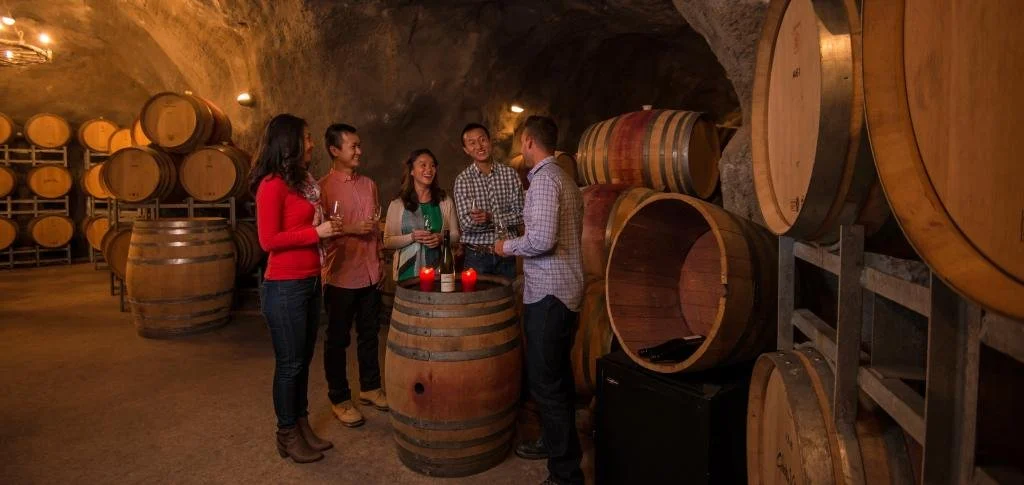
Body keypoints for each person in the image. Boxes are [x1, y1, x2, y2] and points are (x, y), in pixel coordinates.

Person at [495, 115, 584, 485]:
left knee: (547, 384)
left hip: (550, 295)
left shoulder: (546, 180)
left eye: (522, 142)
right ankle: (552, 442)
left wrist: (505, 246)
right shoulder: (564, 178)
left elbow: (542, 240)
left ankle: (565, 474)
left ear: (529, 141)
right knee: (557, 379)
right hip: (562, 292)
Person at [252, 114, 341, 463]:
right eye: (306, 137)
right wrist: (315, 233)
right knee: (289, 364)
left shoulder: (300, 183)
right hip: (284, 285)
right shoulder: (271, 184)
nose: (311, 144)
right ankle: (286, 433)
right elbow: (268, 240)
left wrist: (320, 230)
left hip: (309, 280)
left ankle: (301, 424)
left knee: (302, 361)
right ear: (287, 142)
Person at [318, 123, 387, 428]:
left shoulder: (369, 184)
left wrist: (380, 258)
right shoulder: (322, 187)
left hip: (370, 270)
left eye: (360, 145)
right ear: (335, 150)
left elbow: (376, 226)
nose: (360, 151)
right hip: (340, 274)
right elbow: (317, 231)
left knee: (370, 334)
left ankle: (370, 387)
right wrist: (351, 228)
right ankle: (339, 398)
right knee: (337, 339)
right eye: (353, 146)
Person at [453, 122, 524, 280]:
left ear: (490, 141)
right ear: (466, 150)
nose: (479, 146)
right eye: (472, 143)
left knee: (507, 296)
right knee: (476, 296)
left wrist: (490, 217)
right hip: (476, 256)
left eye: (482, 140)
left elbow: (521, 216)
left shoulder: (510, 175)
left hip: (506, 255)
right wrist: (504, 220)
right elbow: (466, 224)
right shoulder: (463, 180)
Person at [383, 149, 460, 281]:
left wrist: (441, 238)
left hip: (439, 272)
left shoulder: (445, 201)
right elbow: (388, 241)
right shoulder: (398, 204)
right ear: (412, 171)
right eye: (423, 165)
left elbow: (455, 236)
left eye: (432, 165)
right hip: (407, 274)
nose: (429, 169)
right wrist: (412, 237)